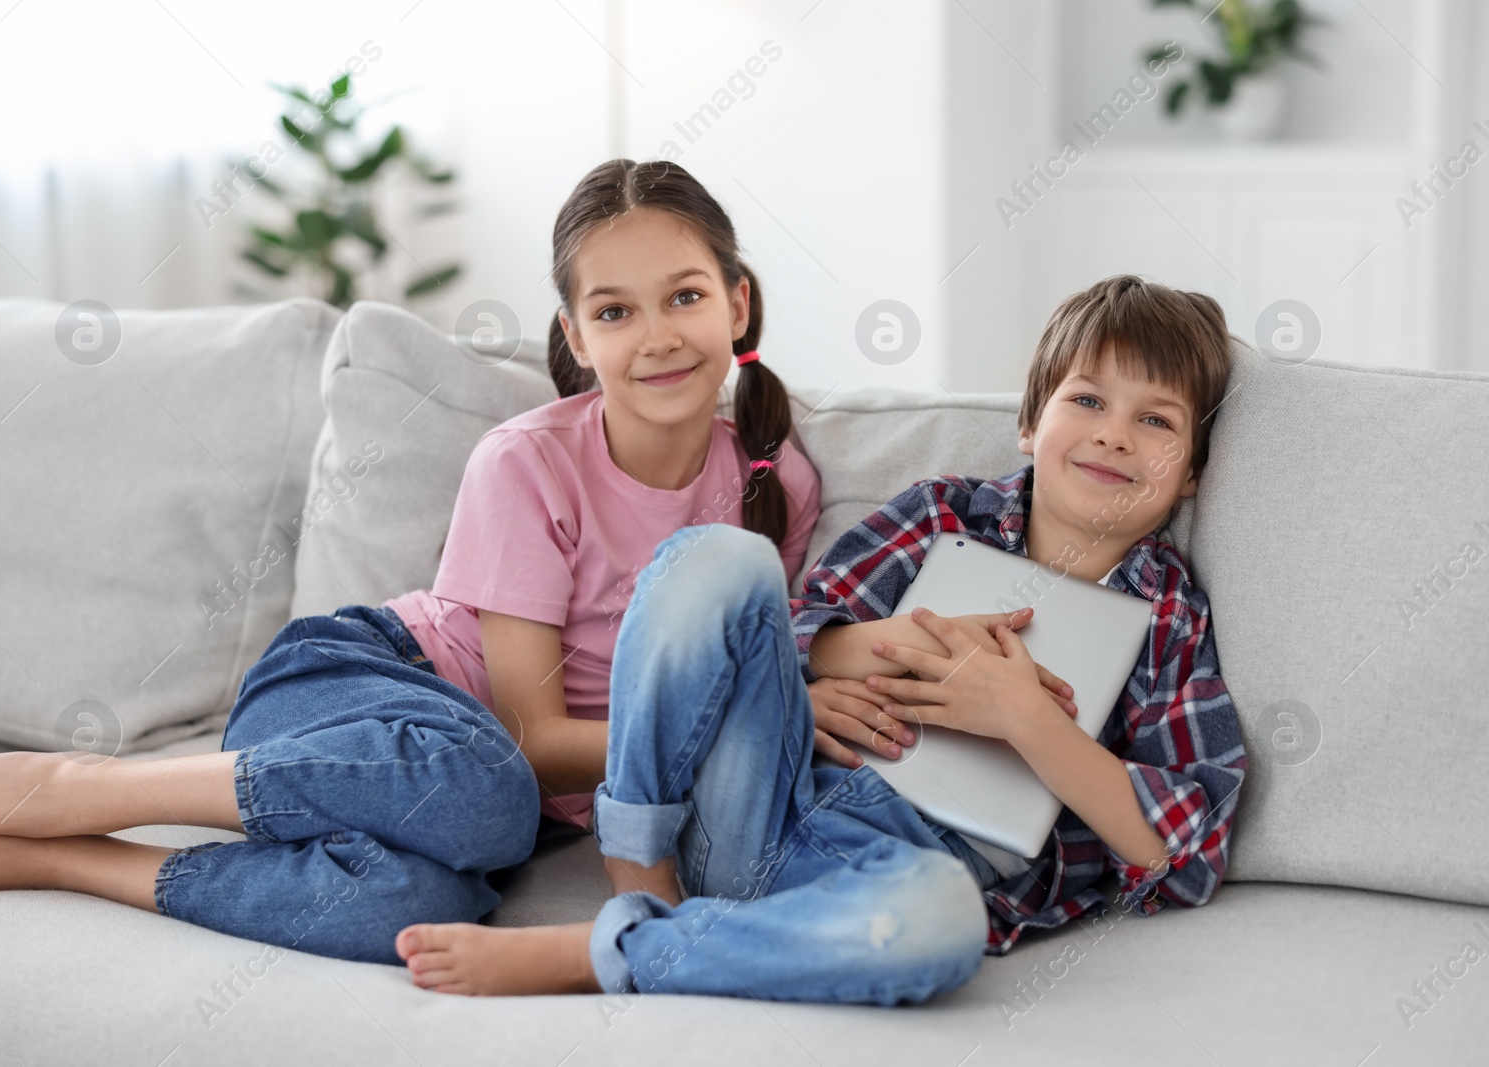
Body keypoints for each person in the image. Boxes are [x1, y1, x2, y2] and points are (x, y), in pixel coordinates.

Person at [0, 158, 829, 966]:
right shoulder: (530, 461)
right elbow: (537, 738)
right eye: (617, 310)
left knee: (419, 905)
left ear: (737, 302)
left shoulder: (771, 478)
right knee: (494, 788)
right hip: (360, 687)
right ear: (578, 337)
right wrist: (750, 721)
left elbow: (741, 657)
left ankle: (65, 858)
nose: (659, 335)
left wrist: (804, 683)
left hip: (473, 800)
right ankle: (84, 787)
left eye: (687, 295)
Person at [391, 274, 1249, 1004]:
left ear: (1195, 473)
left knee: (943, 929)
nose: (1112, 434)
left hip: (892, 872)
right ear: (1030, 422)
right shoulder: (944, 514)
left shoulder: (1168, 616)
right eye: (1089, 400)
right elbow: (793, 627)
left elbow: (1186, 852)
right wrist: (896, 644)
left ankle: (626, 946)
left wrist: (1027, 718)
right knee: (721, 556)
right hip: (757, 795)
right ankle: (637, 864)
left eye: (1157, 422)